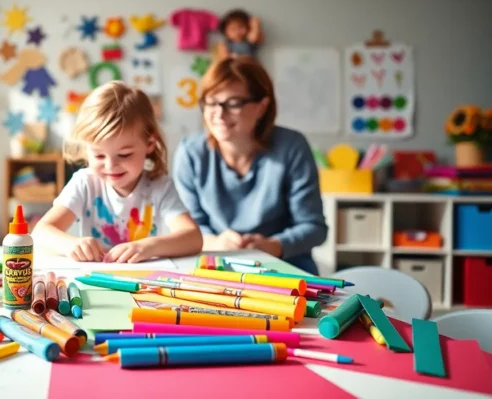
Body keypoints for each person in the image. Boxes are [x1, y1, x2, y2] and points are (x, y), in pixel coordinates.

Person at [172, 56, 327, 275]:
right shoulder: (191, 153)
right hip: (216, 269)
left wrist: (274, 245)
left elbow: (314, 228)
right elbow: (188, 226)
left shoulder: (292, 147)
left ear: (262, 107)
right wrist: (214, 241)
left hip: (286, 270)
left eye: (233, 103)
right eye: (211, 101)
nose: (218, 114)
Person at [32, 81, 203, 263]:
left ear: (150, 144)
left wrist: (147, 247)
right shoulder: (85, 183)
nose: (111, 165)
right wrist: (71, 245)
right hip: (95, 281)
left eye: (124, 154)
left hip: (145, 282)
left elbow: (193, 238)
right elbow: (40, 232)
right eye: (99, 155)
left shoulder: (160, 186)